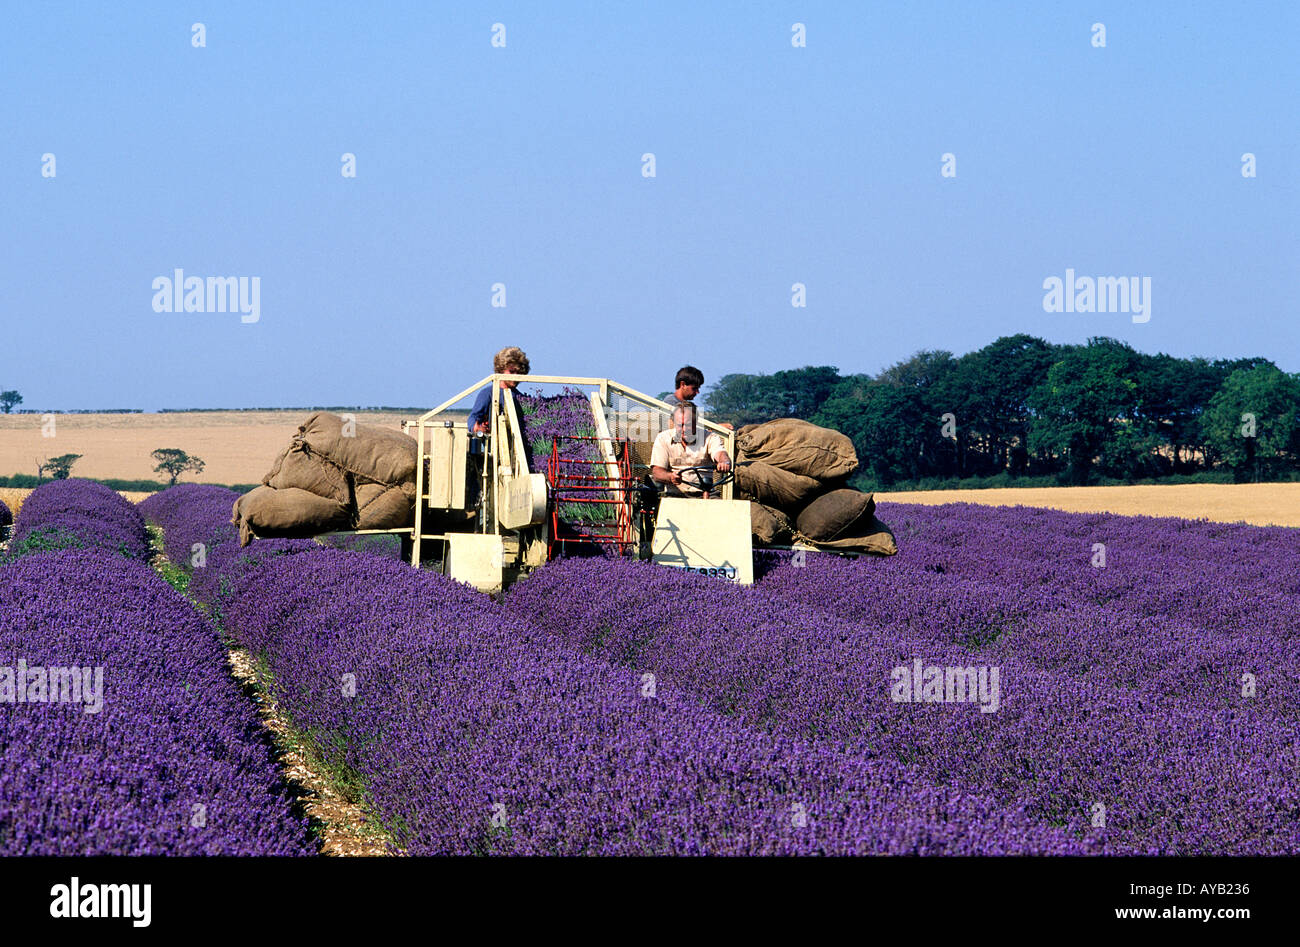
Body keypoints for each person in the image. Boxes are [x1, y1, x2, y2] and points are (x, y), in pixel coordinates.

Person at [650, 403, 731, 498]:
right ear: (674, 422)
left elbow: (720, 453)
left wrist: (724, 462)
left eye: (688, 425)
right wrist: (671, 477)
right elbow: (657, 472)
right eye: (680, 425)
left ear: (696, 421)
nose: (684, 429)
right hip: (675, 495)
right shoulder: (663, 438)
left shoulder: (709, 437)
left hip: (706, 494)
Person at [468, 346, 530, 439]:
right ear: (501, 370)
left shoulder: (520, 397)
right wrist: (477, 428)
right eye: (511, 371)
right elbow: (473, 417)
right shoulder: (488, 393)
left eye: (519, 372)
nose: (515, 376)